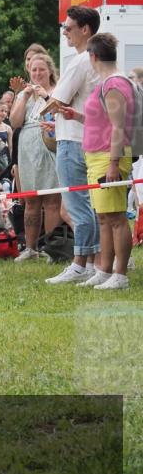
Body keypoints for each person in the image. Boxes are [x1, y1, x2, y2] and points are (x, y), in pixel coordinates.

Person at [63, 33, 133, 289]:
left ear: (93, 56)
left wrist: (114, 163)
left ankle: (120, 274)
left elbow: (118, 126)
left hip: (108, 157)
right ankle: (104, 270)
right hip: (97, 157)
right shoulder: (107, 83)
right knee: (103, 217)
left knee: (116, 218)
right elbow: (102, 120)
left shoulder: (114, 84)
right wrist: (78, 117)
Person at [45, 6, 101, 284]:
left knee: (77, 206)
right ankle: (91, 262)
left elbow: (58, 100)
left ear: (85, 30)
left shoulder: (80, 61)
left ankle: (81, 263)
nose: (65, 32)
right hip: (85, 136)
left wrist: (42, 105)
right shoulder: (96, 59)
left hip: (73, 140)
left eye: (68, 27)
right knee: (86, 205)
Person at [9, 53, 61, 261]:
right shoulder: (26, 95)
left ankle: (53, 247)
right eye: (34, 70)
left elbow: (60, 113)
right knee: (30, 202)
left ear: (49, 71)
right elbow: (14, 122)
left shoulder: (56, 91)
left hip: (49, 147)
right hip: (27, 149)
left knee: (51, 202)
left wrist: (44, 94)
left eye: (41, 69)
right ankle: (30, 248)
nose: (38, 73)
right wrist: (24, 96)